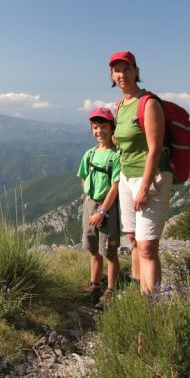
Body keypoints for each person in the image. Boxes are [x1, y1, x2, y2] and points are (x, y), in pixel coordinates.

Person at [109, 50, 173, 294]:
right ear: (112, 75)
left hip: (152, 179)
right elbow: (122, 141)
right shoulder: (122, 106)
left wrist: (144, 188)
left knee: (147, 247)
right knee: (134, 240)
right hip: (126, 178)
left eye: (127, 69)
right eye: (117, 70)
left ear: (136, 71)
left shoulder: (149, 103)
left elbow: (155, 149)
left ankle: (151, 303)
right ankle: (139, 291)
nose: (122, 74)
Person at [77, 107, 121, 309]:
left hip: (107, 205)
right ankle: (95, 285)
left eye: (104, 126)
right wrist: (89, 198)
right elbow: (84, 176)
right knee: (93, 248)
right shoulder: (90, 154)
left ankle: (111, 290)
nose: (99, 131)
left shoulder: (115, 156)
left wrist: (102, 211)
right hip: (90, 202)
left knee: (109, 251)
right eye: (95, 127)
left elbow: (116, 186)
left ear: (112, 128)